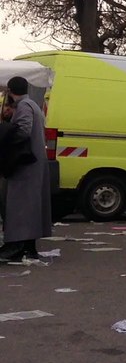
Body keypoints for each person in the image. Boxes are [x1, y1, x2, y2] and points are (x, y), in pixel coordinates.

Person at [0, 77, 51, 264]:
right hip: (33, 163)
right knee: (30, 207)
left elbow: (22, 130)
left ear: (10, 91)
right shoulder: (33, 105)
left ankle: (17, 245)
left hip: (24, 165)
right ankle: (29, 247)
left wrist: (5, 129)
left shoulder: (23, 106)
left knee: (19, 206)